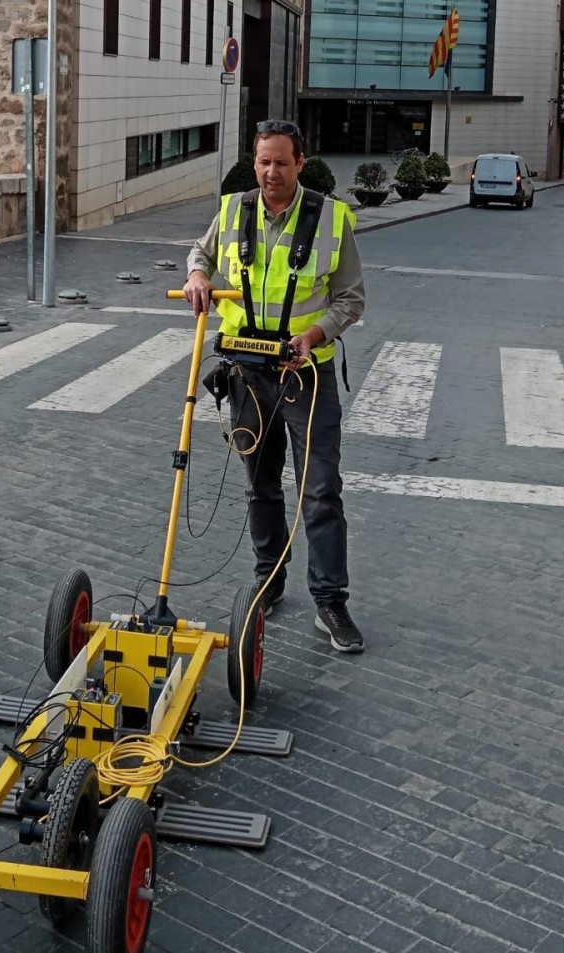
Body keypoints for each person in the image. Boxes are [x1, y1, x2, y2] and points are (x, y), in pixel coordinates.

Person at [183, 119, 367, 653]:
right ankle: (270, 578)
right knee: (260, 485)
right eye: (263, 161)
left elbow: (351, 298)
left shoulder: (331, 218)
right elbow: (202, 254)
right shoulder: (234, 208)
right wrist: (198, 275)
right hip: (246, 369)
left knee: (320, 490)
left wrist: (314, 334)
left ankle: (330, 602)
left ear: (300, 163)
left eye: (281, 162)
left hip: (304, 373)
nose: (270, 172)